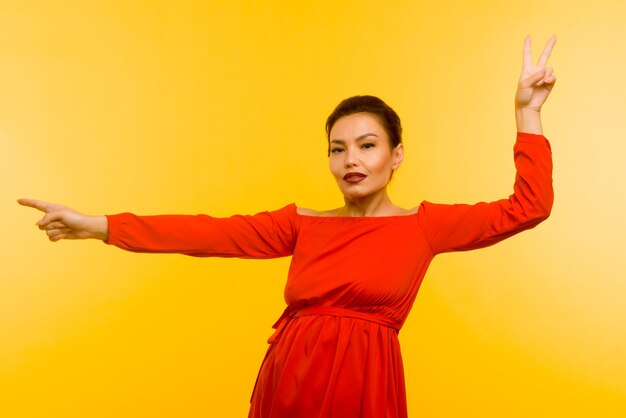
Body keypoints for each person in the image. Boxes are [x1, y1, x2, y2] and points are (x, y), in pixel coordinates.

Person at [19, 35, 556, 418]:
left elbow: (527, 207)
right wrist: (99, 225)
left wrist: (526, 114)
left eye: (367, 146)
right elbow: (205, 233)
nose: (351, 159)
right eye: (337, 148)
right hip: (289, 385)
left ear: (396, 156)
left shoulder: (425, 226)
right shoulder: (302, 225)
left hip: (365, 391)